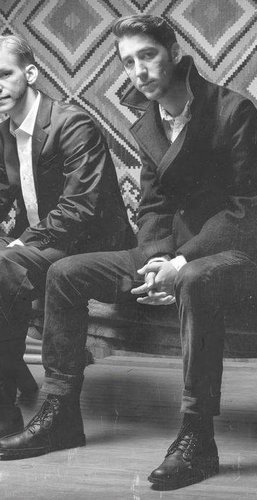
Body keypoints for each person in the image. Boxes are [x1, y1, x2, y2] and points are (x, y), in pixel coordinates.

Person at [0, 15, 257, 490]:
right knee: (65, 273)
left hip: (244, 259)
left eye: (147, 55)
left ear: (174, 53)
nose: (139, 70)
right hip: (175, 253)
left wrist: (179, 263)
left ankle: (198, 437)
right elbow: (153, 208)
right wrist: (154, 259)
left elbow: (246, 212)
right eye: (128, 62)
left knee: (194, 278)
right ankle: (61, 414)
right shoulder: (150, 124)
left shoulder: (236, 113)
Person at [0, 35, 134, 440]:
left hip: (92, 250)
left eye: (4, 74)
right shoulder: (3, 132)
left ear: (30, 74)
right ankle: (12, 385)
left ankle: (4, 411)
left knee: (6, 264)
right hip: (41, 247)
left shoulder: (72, 123)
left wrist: (21, 243)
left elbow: (80, 209)